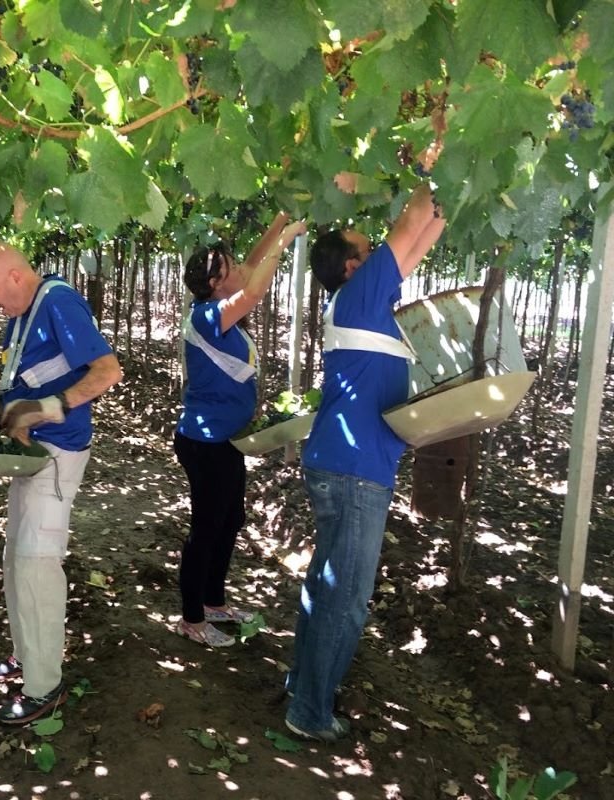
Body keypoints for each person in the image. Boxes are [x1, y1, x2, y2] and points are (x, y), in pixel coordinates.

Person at [285, 184, 446, 741]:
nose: (380, 249)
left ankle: (300, 686)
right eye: (368, 247)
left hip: (342, 462)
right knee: (347, 599)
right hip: (356, 471)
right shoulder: (358, 296)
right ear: (356, 265)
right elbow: (412, 223)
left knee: (326, 584)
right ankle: (309, 713)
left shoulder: (360, 302)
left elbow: (420, 239)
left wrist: (447, 203)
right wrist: (437, 163)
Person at [0, 243, 122, 725]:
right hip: (31, 454)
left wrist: (47, 410)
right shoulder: (23, 312)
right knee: (15, 556)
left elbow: (107, 371)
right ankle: (26, 655)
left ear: (15, 277)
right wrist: (4, 411)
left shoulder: (58, 302)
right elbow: (27, 378)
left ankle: (44, 686)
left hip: (56, 456)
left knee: (37, 564)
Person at [175, 213, 307, 647]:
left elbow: (250, 266)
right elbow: (255, 286)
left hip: (224, 439)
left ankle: (213, 601)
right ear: (216, 284)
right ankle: (192, 618)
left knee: (230, 519)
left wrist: (282, 217)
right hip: (205, 441)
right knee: (207, 527)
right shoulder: (210, 316)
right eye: (229, 268)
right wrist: (286, 240)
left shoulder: (217, 303)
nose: (240, 268)